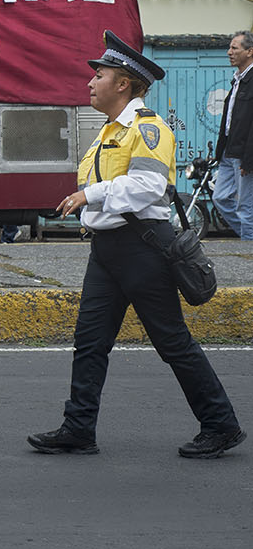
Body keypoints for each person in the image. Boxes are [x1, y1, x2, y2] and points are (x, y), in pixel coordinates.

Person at [29, 31, 244, 459]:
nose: (91, 83)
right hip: (108, 251)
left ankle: (220, 425)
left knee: (172, 342)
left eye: (100, 75)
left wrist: (90, 195)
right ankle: (79, 427)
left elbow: (147, 187)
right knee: (90, 343)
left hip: (142, 249)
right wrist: (94, 201)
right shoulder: (110, 131)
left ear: (123, 84)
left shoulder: (148, 129)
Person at [212, 30, 253, 240]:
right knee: (219, 198)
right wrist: (220, 152)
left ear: (250, 51)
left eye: (234, 48)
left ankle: (248, 254)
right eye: (229, 47)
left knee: (246, 207)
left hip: (244, 154)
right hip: (229, 151)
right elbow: (229, 120)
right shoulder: (237, 80)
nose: (229, 52)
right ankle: (249, 236)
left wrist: (248, 158)